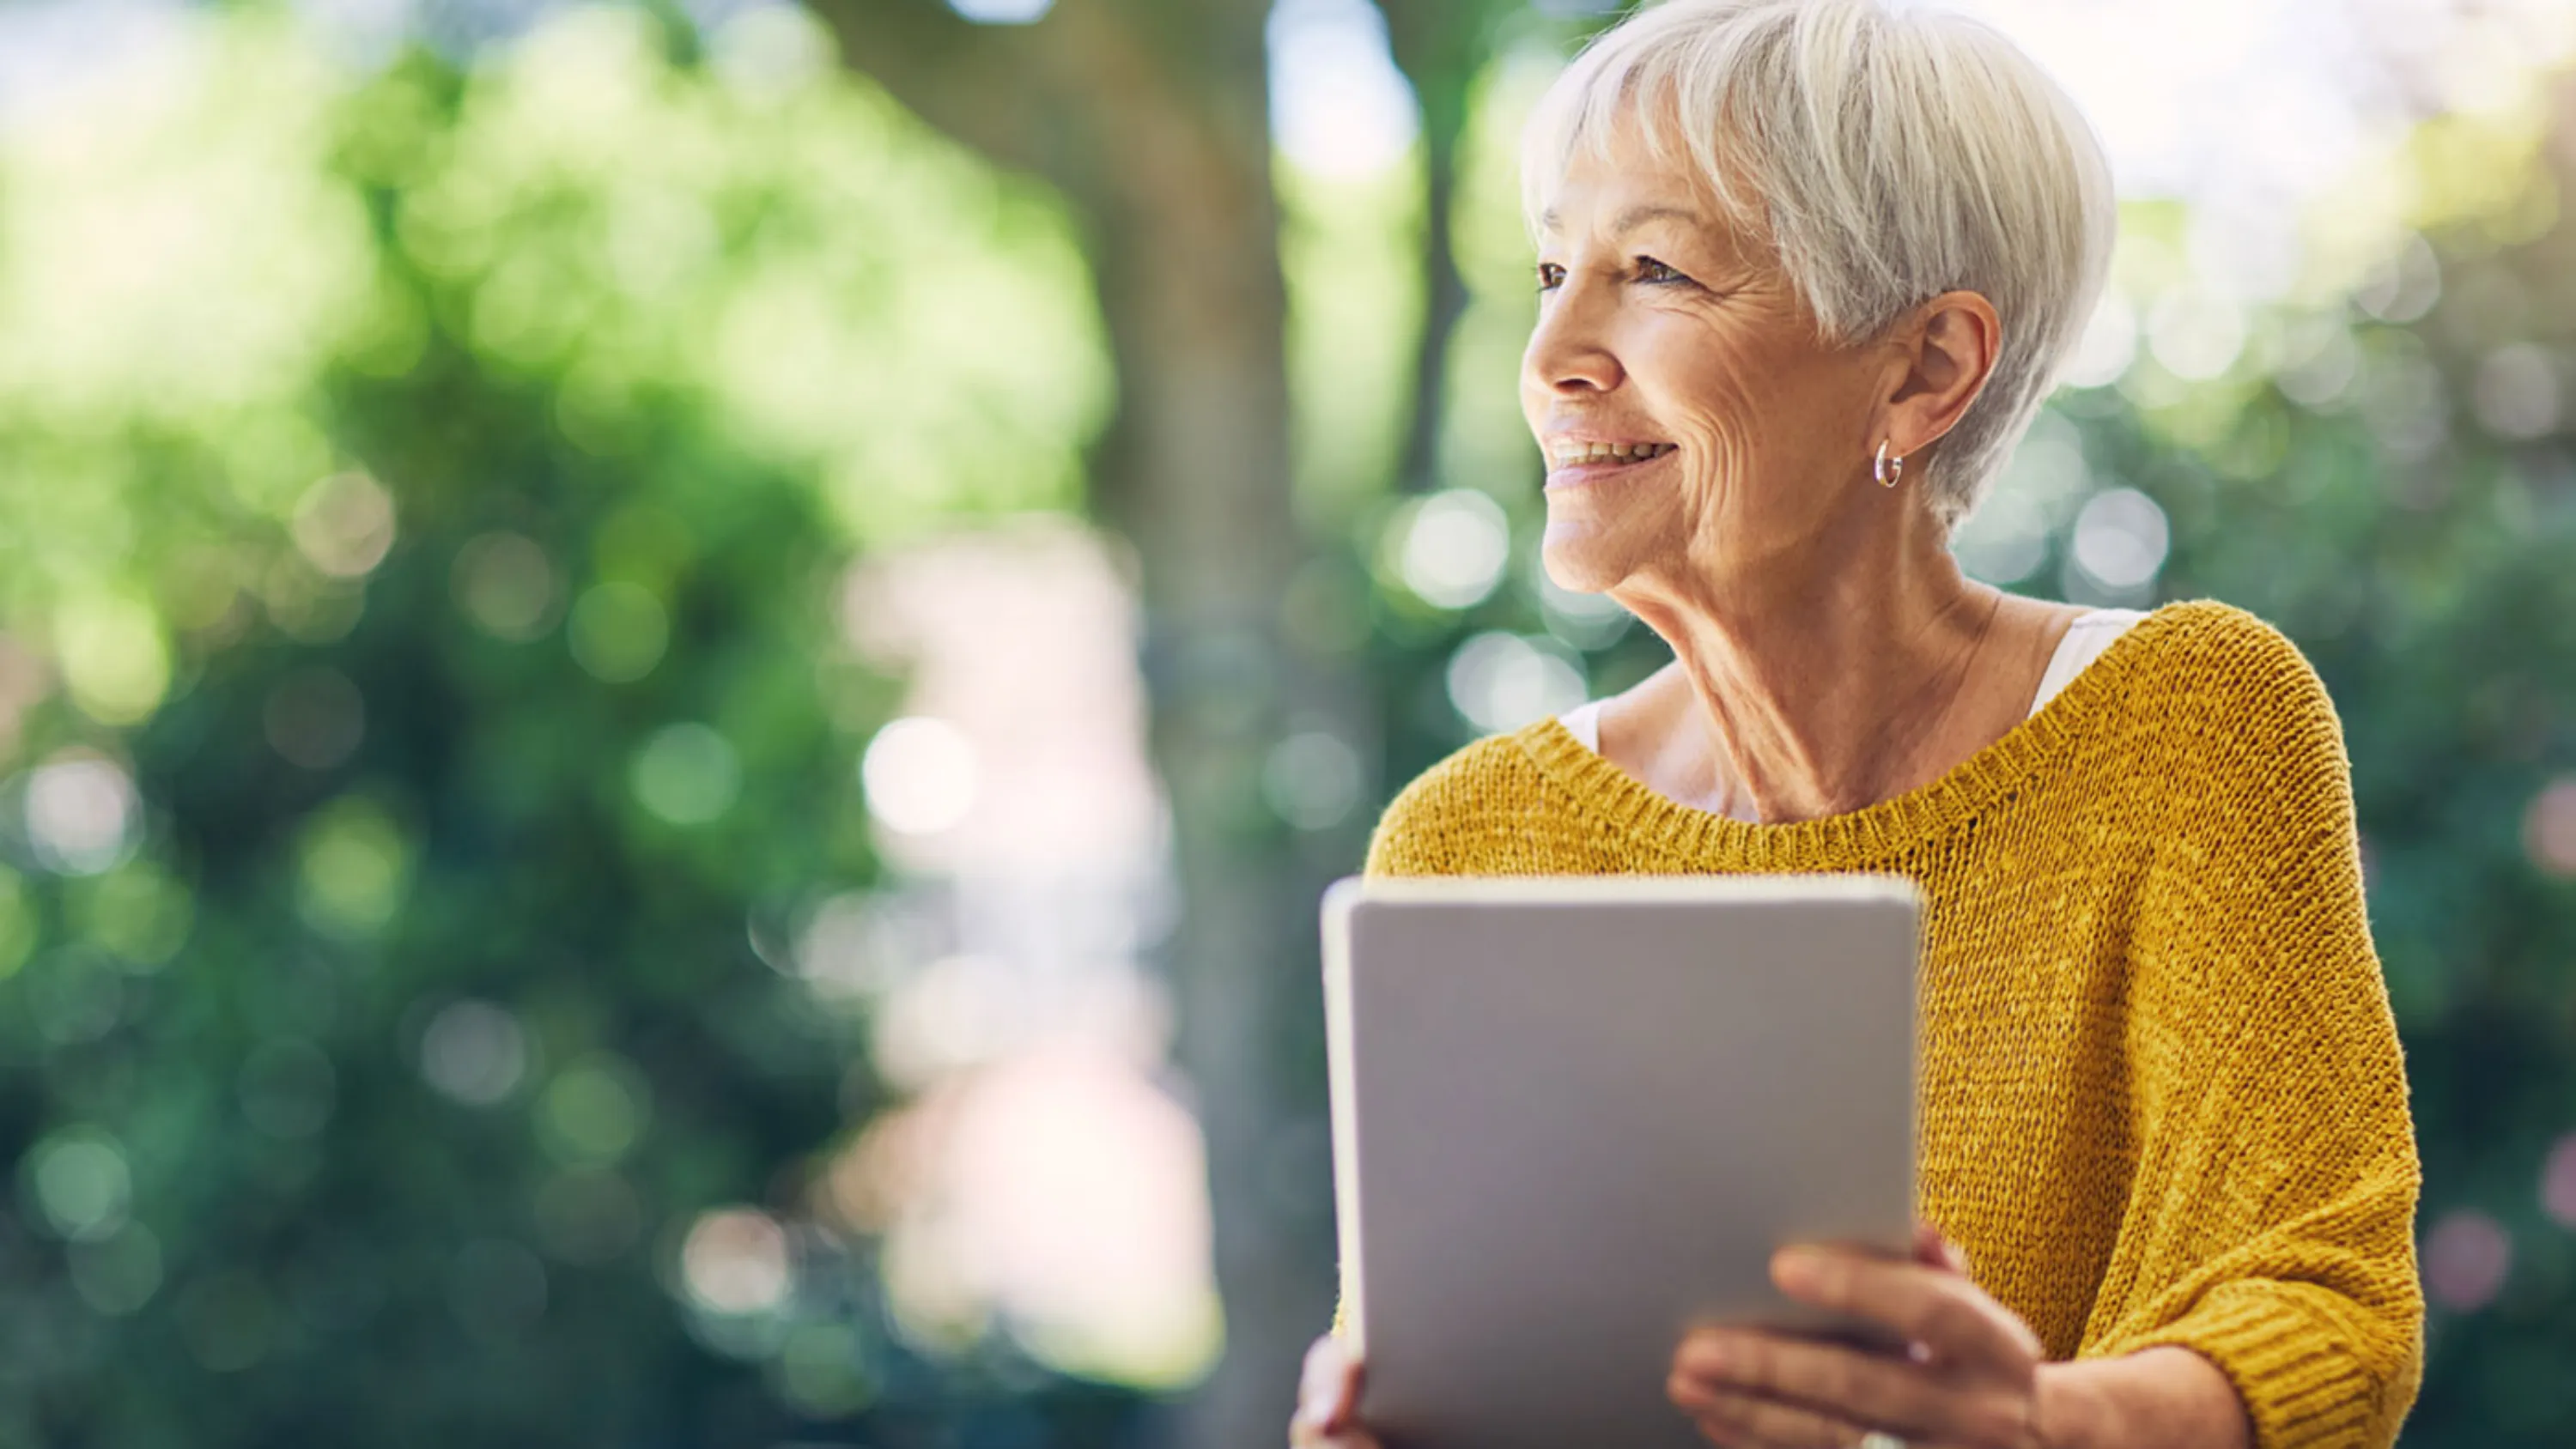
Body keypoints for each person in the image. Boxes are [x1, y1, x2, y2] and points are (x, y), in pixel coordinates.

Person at [1288, 2, 2424, 1446]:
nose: (1553, 354)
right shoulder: (1466, 843)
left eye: (1655, 271)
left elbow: (2329, 1306)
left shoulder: (2190, 723)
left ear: (1927, 367)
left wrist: (2043, 1426)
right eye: (1553, 270)